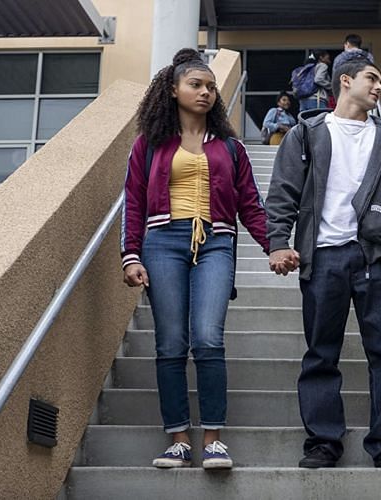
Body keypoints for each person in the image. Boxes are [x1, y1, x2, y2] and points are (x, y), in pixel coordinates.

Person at [266, 58, 381, 469]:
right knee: (321, 353)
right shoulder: (306, 133)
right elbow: (283, 192)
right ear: (346, 81)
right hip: (322, 257)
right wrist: (278, 242)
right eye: (372, 78)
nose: (378, 86)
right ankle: (323, 441)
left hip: (377, 257)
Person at [120, 48, 270, 470]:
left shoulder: (231, 147)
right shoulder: (148, 145)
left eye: (210, 87)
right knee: (170, 343)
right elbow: (133, 201)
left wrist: (272, 245)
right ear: (172, 90)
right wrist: (130, 254)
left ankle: (214, 440)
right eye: (196, 85)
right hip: (162, 242)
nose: (205, 92)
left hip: (216, 243)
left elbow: (251, 205)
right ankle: (178, 439)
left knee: (207, 337)